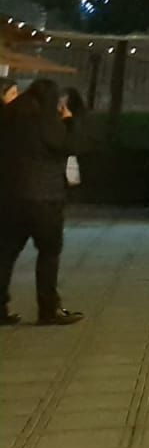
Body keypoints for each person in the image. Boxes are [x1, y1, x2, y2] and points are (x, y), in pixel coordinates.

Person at [0, 79, 83, 326]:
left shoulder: (9, 119)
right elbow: (73, 145)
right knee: (48, 254)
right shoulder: (49, 124)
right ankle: (48, 309)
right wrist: (68, 119)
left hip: (11, 198)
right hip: (45, 200)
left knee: (5, 254)